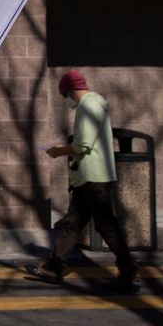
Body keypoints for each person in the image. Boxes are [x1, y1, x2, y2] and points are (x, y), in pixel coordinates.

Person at [27, 69, 142, 292]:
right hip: (89, 176)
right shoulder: (97, 103)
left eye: (65, 96)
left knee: (106, 225)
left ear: (69, 91)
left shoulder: (86, 107)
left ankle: (129, 272)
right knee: (74, 222)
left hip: (92, 175)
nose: (66, 101)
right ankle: (53, 267)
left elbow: (83, 145)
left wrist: (58, 151)